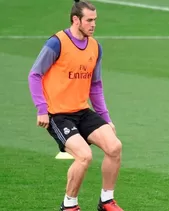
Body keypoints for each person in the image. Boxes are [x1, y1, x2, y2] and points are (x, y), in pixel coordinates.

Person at [28, 0, 124, 210]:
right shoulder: (57, 43)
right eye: (89, 20)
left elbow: (96, 86)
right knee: (84, 156)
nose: (93, 25)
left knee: (115, 147)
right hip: (58, 115)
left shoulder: (95, 47)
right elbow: (35, 75)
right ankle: (69, 205)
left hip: (82, 111)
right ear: (75, 20)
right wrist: (41, 109)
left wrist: (106, 118)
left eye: (95, 20)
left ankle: (106, 200)